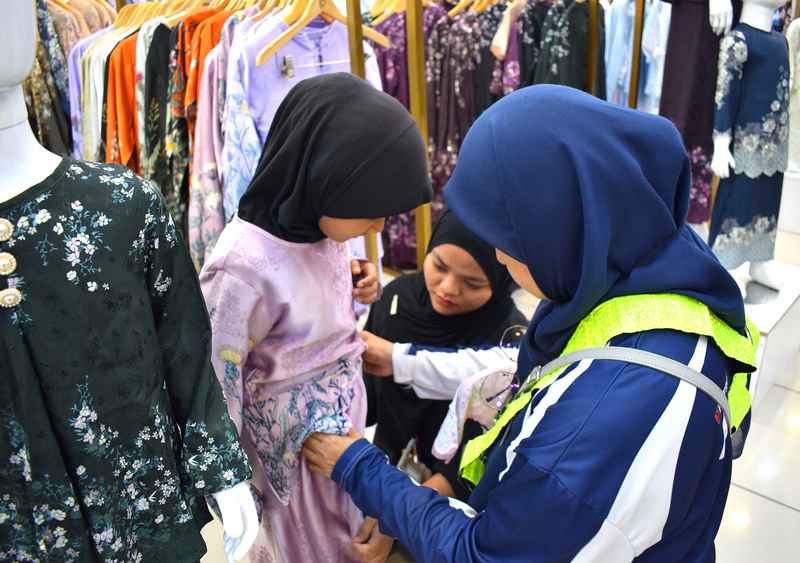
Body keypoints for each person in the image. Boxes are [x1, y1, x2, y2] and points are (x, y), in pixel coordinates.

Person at [303, 85, 758, 562]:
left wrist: (363, 471)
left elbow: (485, 555)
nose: (499, 255)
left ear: (558, 230)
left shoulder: (600, 419)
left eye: (508, 236)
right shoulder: (647, 263)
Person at [200, 73, 432, 563]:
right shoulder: (242, 268)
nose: (378, 227)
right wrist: (230, 484)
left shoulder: (320, 230)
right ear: (323, 180)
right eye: (370, 212)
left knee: (347, 535)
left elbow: (316, 302)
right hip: (290, 459)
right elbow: (217, 380)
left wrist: (356, 282)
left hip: (341, 431)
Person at [363, 209, 525, 492]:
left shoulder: (509, 341)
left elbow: (489, 442)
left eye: (472, 283)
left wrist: (415, 502)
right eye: (439, 266)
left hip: (451, 489)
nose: (448, 288)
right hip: (385, 465)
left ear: (501, 282)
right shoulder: (397, 299)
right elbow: (368, 394)